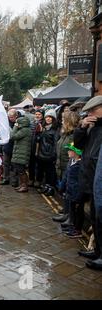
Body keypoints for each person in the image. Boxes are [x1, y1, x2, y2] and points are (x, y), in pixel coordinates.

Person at [73, 96, 102, 270]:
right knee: (95, 218)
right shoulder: (92, 127)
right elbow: (79, 144)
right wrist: (82, 127)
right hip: (91, 178)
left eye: (93, 110)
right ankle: (98, 250)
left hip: (98, 179)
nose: (90, 114)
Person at [60, 143, 84, 239]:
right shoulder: (72, 161)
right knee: (72, 210)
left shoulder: (80, 165)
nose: (68, 152)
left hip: (77, 193)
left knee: (78, 212)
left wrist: (79, 194)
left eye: (70, 150)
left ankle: (77, 230)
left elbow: (81, 181)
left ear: (76, 153)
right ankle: (72, 226)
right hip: (70, 191)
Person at [36, 109, 59, 196]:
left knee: (50, 173)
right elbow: (40, 140)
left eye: (50, 117)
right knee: (43, 172)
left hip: (49, 155)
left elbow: (56, 143)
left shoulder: (55, 129)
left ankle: (50, 188)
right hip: (41, 154)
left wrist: (53, 155)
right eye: (47, 117)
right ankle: (45, 186)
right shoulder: (44, 128)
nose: (48, 119)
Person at [10, 115, 32, 193]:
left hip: (22, 154)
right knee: (20, 170)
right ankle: (22, 184)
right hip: (21, 153)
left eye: (17, 123)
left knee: (21, 170)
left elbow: (13, 136)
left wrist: (15, 127)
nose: (16, 124)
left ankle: (24, 186)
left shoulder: (24, 130)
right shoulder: (25, 129)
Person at [1, 109, 17, 186]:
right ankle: (6, 178)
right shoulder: (5, 123)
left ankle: (15, 180)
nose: (10, 118)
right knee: (5, 164)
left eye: (12, 117)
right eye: (9, 117)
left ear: (16, 116)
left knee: (14, 165)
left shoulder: (19, 123)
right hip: (7, 146)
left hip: (15, 147)